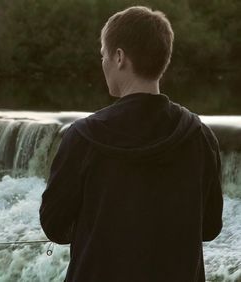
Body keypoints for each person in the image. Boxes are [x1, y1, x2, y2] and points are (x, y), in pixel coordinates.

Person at [39, 6, 223, 282]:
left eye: (103, 55)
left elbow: (54, 225)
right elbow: (209, 227)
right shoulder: (200, 136)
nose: (102, 63)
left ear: (119, 57)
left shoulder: (82, 137)